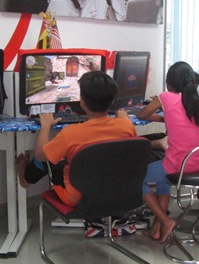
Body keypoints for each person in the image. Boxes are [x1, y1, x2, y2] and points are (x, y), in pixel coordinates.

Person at [16, 71, 136, 206]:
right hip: (114, 192)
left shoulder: (71, 133)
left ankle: (25, 180)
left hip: (77, 199)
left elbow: (40, 155)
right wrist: (123, 118)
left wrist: (45, 126)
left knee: (49, 155)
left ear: (82, 101)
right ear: (112, 101)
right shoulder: (126, 125)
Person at [138, 61, 199, 244]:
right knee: (163, 179)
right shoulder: (195, 103)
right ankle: (156, 229)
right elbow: (181, 120)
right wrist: (166, 116)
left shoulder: (166, 97)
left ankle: (166, 220)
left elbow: (142, 115)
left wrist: (160, 106)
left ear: (169, 83)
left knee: (135, 178)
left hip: (180, 165)